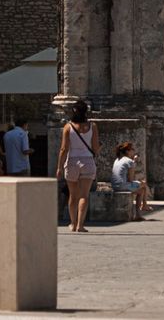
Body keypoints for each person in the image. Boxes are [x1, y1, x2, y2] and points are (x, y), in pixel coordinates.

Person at [56, 99, 98, 232]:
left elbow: (64, 149)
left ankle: (73, 224)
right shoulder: (93, 126)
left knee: (73, 195)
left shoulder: (68, 127)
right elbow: (96, 147)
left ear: (74, 111)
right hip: (87, 160)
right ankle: (80, 225)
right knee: (84, 195)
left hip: (72, 161)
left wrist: (59, 167)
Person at [111, 142, 153, 220]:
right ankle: (141, 209)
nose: (134, 151)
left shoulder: (117, 160)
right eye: (132, 149)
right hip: (122, 186)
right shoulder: (129, 161)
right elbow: (131, 179)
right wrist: (133, 162)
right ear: (127, 151)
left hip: (114, 186)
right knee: (143, 184)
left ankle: (143, 206)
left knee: (141, 189)